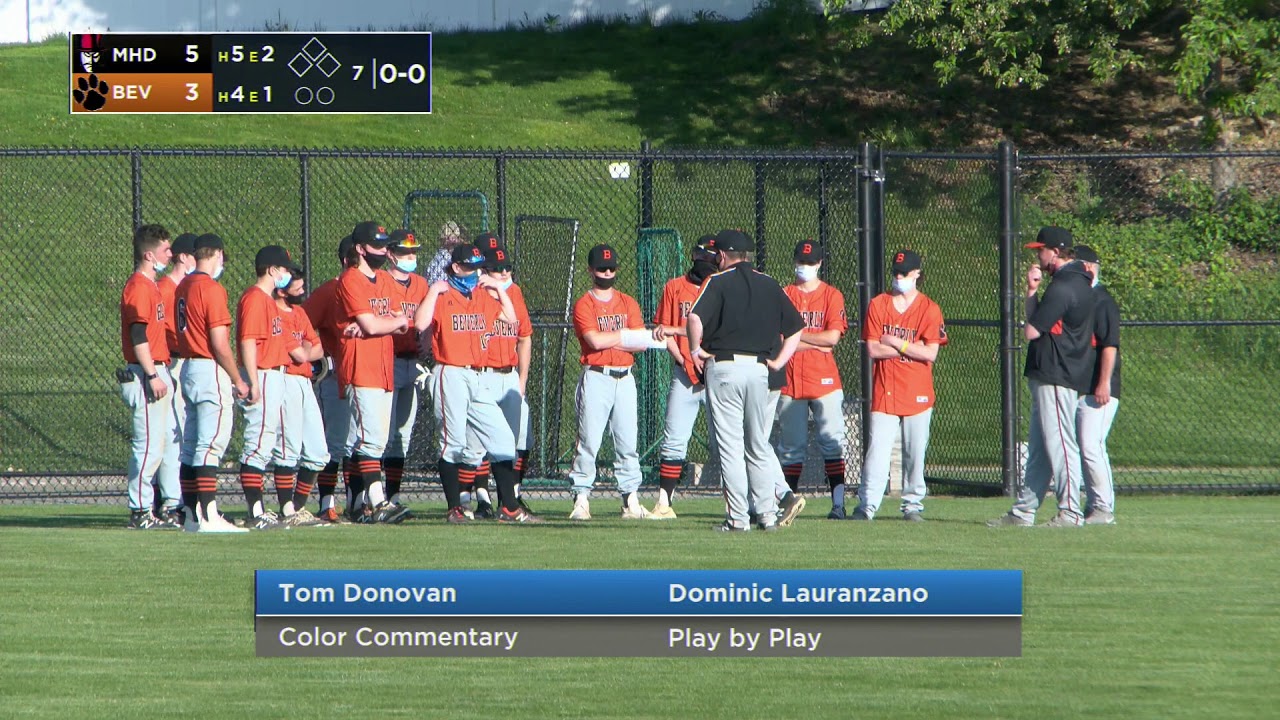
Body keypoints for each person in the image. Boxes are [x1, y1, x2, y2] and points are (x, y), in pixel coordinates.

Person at [687, 229, 805, 532]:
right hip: (761, 370)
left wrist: (695, 350)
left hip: (725, 367)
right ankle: (766, 514)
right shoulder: (770, 283)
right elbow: (795, 329)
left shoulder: (717, 281)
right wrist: (779, 361)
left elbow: (694, 318)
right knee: (758, 445)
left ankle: (738, 518)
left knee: (730, 447)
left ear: (723, 256)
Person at [412, 243, 539, 524]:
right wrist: (433, 291)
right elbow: (420, 324)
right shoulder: (443, 293)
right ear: (456, 267)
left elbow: (513, 321)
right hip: (450, 372)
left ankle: (509, 507)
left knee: (504, 439)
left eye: (478, 267)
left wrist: (498, 290)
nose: (475, 272)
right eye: (469, 267)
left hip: (478, 375)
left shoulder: (483, 295)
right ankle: (455, 508)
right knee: (453, 442)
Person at [990, 226, 1097, 528]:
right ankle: (1024, 510)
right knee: (1040, 448)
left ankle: (1071, 512)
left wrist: (1034, 295)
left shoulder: (1064, 285)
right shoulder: (1076, 281)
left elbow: (1031, 331)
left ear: (1056, 251)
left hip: (1056, 373)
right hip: (1052, 373)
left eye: (1042, 249)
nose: (1039, 254)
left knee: (1061, 443)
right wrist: (1032, 291)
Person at [853, 249, 947, 522]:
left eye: (904, 273)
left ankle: (912, 505)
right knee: (877, 451)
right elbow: (872, 348)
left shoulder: (929, 308)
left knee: (915, 451)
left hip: (917, 391)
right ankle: (867, 505)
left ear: (917, 273)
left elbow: (931, 353)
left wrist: (896, 343)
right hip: (886, 390)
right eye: (895, 272)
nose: (898, 277)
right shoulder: (879, 304)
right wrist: (911, 348)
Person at [567, 244, 655, 521]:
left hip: (625, 377)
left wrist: (617, 337)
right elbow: (594, 341)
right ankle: (581, 499)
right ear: (590, 270)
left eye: (612, 267)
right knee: (589, 441)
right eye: (602, 268)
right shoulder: (585, 303)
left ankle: (630, 500)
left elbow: (641, 342)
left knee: (628, 443)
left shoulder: (627, 301)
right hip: (597, 376)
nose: (607, 272)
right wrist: (624, 335)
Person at [336, 221, 412, 524]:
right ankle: (378, 502)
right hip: (360, 367)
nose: (382, 251)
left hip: (383, 367)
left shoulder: (382, 278)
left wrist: (382, 323)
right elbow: (372, 325)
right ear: (360, 249)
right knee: (371, 440)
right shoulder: (350, 279)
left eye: (384, 246)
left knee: (376, 440)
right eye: (377, 246)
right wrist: (382, 323)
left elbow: (403, 320)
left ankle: (357, 504)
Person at [175, 233, 250, 533]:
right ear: (218, 253)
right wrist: (237, 378)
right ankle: (208, 515)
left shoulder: (183, 284)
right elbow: (220, 343)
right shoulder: (211, 288)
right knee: (210, 443)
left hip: (188, 367)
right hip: (208, 368)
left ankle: (192, 515)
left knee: (191, 444)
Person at [460, 241, 536, 518]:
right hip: (483, 374)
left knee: (511, 442)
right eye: (496, 268)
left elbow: (524, 336)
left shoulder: (513, 292)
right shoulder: (472, 294)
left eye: (507, 267)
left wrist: (522, 380)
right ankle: (475, 501)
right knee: (475, 445)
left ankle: (510, 500)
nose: (504, 273)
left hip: (509, 376)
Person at [776, 240, 849, 522]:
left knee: (831, 443)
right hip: (790, 380)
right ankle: (788, 505)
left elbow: (832, 339)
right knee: (791, 447)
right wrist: (811, 341)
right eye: (800, 262)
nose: (804, 267)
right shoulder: (784, 294)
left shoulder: (832, 295)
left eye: (809, 263)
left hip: (825, 380)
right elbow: (778, 338)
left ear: (819, 264)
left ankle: (838, 505)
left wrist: (796, 338)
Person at [235, 245, 308, 530]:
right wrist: (252, 382)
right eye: (284, 269)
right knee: (258, 443)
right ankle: (255, 511)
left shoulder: (266, 300)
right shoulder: (255, 298)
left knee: (267, 442)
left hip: (274, 374)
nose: (288, 274)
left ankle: (263, 510)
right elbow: (248, 342)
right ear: (272, 270)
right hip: (263, 374)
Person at [649, 235, 722, 519]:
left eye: (711, 259)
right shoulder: (675, 287)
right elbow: (663, 330)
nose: (706, 264)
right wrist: (683, 359)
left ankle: (735, 503)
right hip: (684, 373)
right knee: (674, 439)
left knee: (725, 442)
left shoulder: (720, 288)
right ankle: (664, 503)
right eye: (703, 258)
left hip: (716, 373)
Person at [117, 224, 180, 529]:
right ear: (148, 253)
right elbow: (138, 334)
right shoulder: (139, 286)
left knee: (163, 441)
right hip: (144, 372)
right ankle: (140, 509)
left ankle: (162, 507)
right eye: (165, 250)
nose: (170, 255)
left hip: (155, 369)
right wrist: (153, 374)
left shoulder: (152, 285)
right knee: (149, 445)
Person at [303, 235, 355, 523]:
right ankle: (326, 503)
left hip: (362, 374)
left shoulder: (367, 289)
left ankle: (357, 502)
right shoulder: (330, 291)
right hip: (335, 372)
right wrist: (316, 351)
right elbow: (300, 323)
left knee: (357, 442)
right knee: (335, 443)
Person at [271, 270, 328, 526]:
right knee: (288, 448)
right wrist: (306, 349)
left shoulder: (300, 313)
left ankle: (297, 507)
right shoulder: (273, 313)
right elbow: (302, 354)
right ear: (282, 290)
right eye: (298, 288)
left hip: (304, 382)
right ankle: (286, 509)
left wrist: (305, 350)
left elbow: (317, 349)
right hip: (285, 380)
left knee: (318, 452)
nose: (303, 292)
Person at [1073, 245, 1121, 525]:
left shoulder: (1102, 300)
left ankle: (1103, 507)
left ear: (1089, 268)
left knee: (1092, 445)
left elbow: (1109, 346)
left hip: (1099, 388)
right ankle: (1093, 504)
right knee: (1084, 445)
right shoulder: (1084, 298)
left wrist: (1104, 383)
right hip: (1082, 385)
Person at [384, 228, 430, 516]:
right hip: (386, 361)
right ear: (390, 254)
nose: (410, 257)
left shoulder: (421, 284)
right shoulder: (380, 282)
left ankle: (393, 496)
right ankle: (369, 497)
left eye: (413, 252)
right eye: (404, 252)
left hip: (412, 362)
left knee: (403, 433)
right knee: (382, 433)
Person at [154, 232, 197, 519]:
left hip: (186, 364)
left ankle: (177, 498)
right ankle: (170, 501)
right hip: (172, 364)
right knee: (172, 434)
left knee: (183, 433)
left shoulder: (188, 287)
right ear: (183, 257)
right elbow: (168, 333)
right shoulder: (166, 288)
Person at [423, 220, 467, 285]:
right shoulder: (440, 260)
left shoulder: (458, 255)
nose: (454, 240)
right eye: (450, 237)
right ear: (444, 240)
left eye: (455, 237)